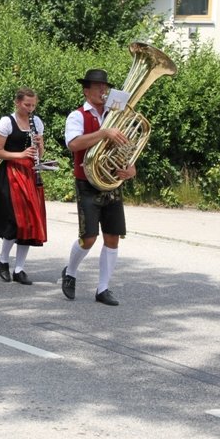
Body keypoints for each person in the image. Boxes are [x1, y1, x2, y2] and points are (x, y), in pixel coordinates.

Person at [63, 69, 132, 306]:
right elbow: (74, 144)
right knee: (89, 237)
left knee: (113, 237)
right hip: (87, 182)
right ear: (86, 90)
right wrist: (104, 133)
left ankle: (103, 288)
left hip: (112, 182)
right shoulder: (77, 116)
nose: (103, 90)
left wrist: (130, 168)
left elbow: (127, 147)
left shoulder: (116, 115)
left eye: (105, 87)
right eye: (97, 87)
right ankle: (70, 272)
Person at [0, 88, 46, 284]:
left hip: (30, 174)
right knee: (14, 222)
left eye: (33, 105)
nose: (30, 109)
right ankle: (4, 259)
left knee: (30, 222)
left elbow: (41, 153)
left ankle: (20, 268)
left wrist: (39, 145)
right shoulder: (7, 122)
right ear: (17, 102)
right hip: (10, 174)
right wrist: (20, 155)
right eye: (26, 105)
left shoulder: (36, 122)